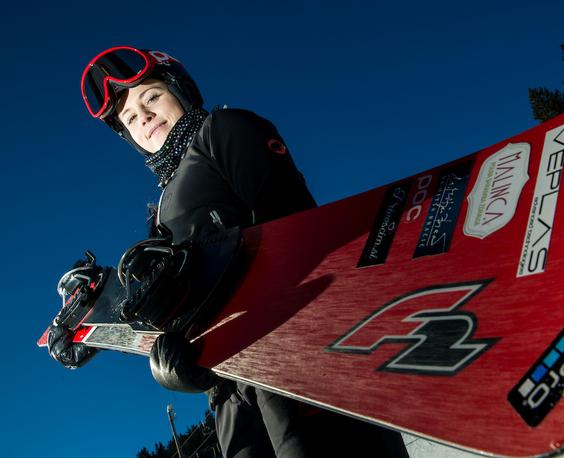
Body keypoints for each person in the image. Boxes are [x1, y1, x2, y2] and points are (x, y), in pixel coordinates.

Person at [49, 46, 409, 457]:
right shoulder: (161, 211)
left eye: (150, 97)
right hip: (232, 399)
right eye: (130, 117)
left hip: (296, 360)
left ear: (180, 90)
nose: (143, 117)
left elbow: (296, 231)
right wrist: (119, 314)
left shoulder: (224, 131)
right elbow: (188, 308)